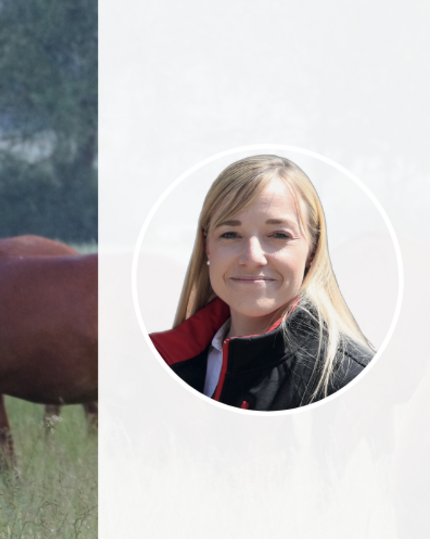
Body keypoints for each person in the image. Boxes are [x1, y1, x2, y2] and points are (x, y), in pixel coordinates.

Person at [150, 155, 374, 410]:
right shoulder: (156, 368)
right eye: (230, 234)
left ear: (312, 250)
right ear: (207, 247)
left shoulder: (351, 384)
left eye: (279, 235)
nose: (252, 257)